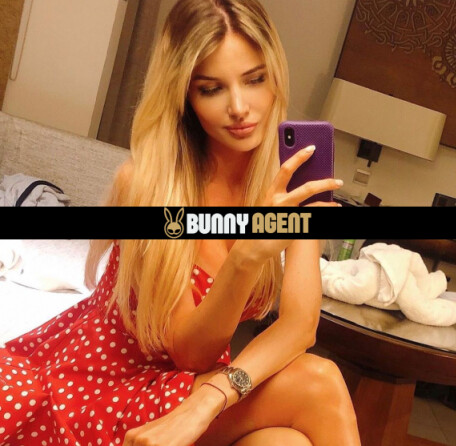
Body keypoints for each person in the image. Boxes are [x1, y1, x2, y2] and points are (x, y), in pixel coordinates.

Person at [0, 0, 361, 445]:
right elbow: (190, 353)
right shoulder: (149, 184)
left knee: (287, 443)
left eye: (254, 79)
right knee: (318, 382)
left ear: (276, 77)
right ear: (185, 94)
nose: (239, 107)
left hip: (191, 393)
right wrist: (246, 255)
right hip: (101, 389)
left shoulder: (293, 181)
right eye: (212, 88)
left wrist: (206, 401)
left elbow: (300, 326)